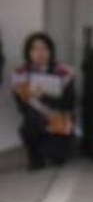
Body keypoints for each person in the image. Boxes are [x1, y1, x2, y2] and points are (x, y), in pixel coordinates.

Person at [11, 32, 77, 170]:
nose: (40, 53)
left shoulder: (63, 72)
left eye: (44, 48)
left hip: (59, 118)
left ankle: (54, 148)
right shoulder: (20, 74)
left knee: (57, 158)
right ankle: (35, 156)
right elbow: (22, 108)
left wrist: (46, 97)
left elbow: (70, 103)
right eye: (34, 49)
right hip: (36, 120)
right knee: (30, 121)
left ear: (51, 51)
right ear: (28, 53)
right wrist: (30, 95)